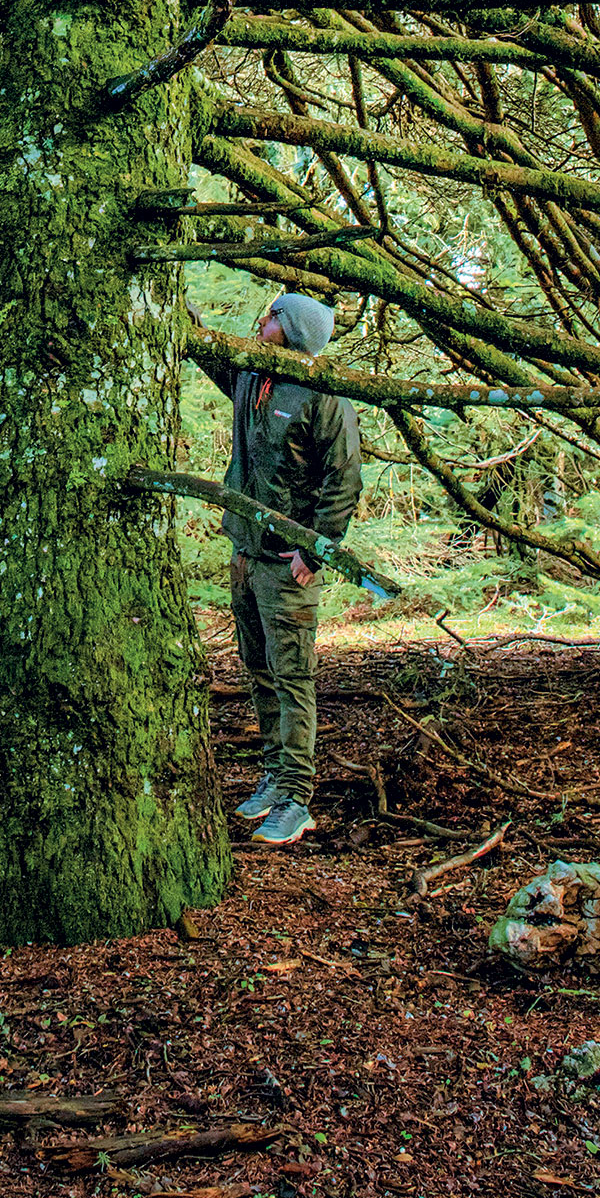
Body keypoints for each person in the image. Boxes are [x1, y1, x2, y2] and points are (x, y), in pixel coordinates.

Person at [214, 291, 360, 847]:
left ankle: (297, 798)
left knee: (293, 675)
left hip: (287, 564)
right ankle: (274, 779)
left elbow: (343, 480)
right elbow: (215, 360)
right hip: (245, 555)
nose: (263, 319)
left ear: (294, 329)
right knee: (259, 669)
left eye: (274, 315)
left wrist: (314, 548)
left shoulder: (323, 398)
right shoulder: (253, 375)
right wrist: (190, 321)